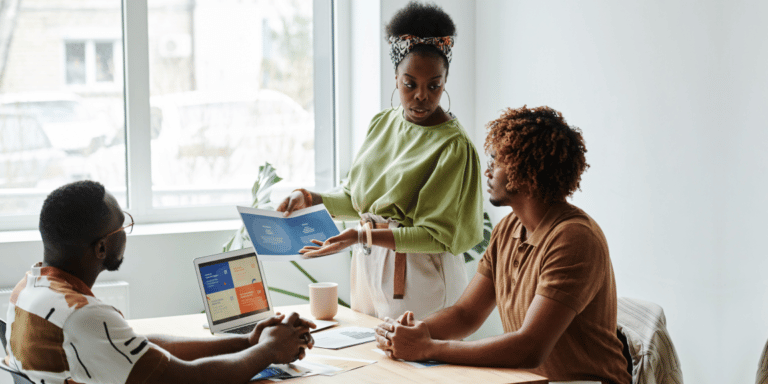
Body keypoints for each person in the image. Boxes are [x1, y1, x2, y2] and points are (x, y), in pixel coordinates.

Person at [374, 106, 632, 384]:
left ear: (525, 171)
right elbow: (466, 314)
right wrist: (415, 331)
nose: (487, 172)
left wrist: (428, 348)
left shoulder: (574, 239)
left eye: (495, 162)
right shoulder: (509, 228)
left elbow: (530, 347)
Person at [277, 1, 484, 321]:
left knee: (422, 368)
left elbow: (434, 236)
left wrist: (363, 236)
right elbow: (355, 199)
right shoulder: (382, 124)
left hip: (419, 273)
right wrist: (308, 198)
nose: (421, 96)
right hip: (368, 264)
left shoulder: (453, 147)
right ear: (396, 76)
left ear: (445, 80)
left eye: (434, 85)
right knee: (370, 360)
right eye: (410, 83)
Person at [3, 180, 315, 384]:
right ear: (101, 248)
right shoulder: (83, 316)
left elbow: (139, 347)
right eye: (122, 225)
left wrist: (247, 343)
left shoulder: (28, 291)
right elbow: (189, 379)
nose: (126, 230)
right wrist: (270, 350)